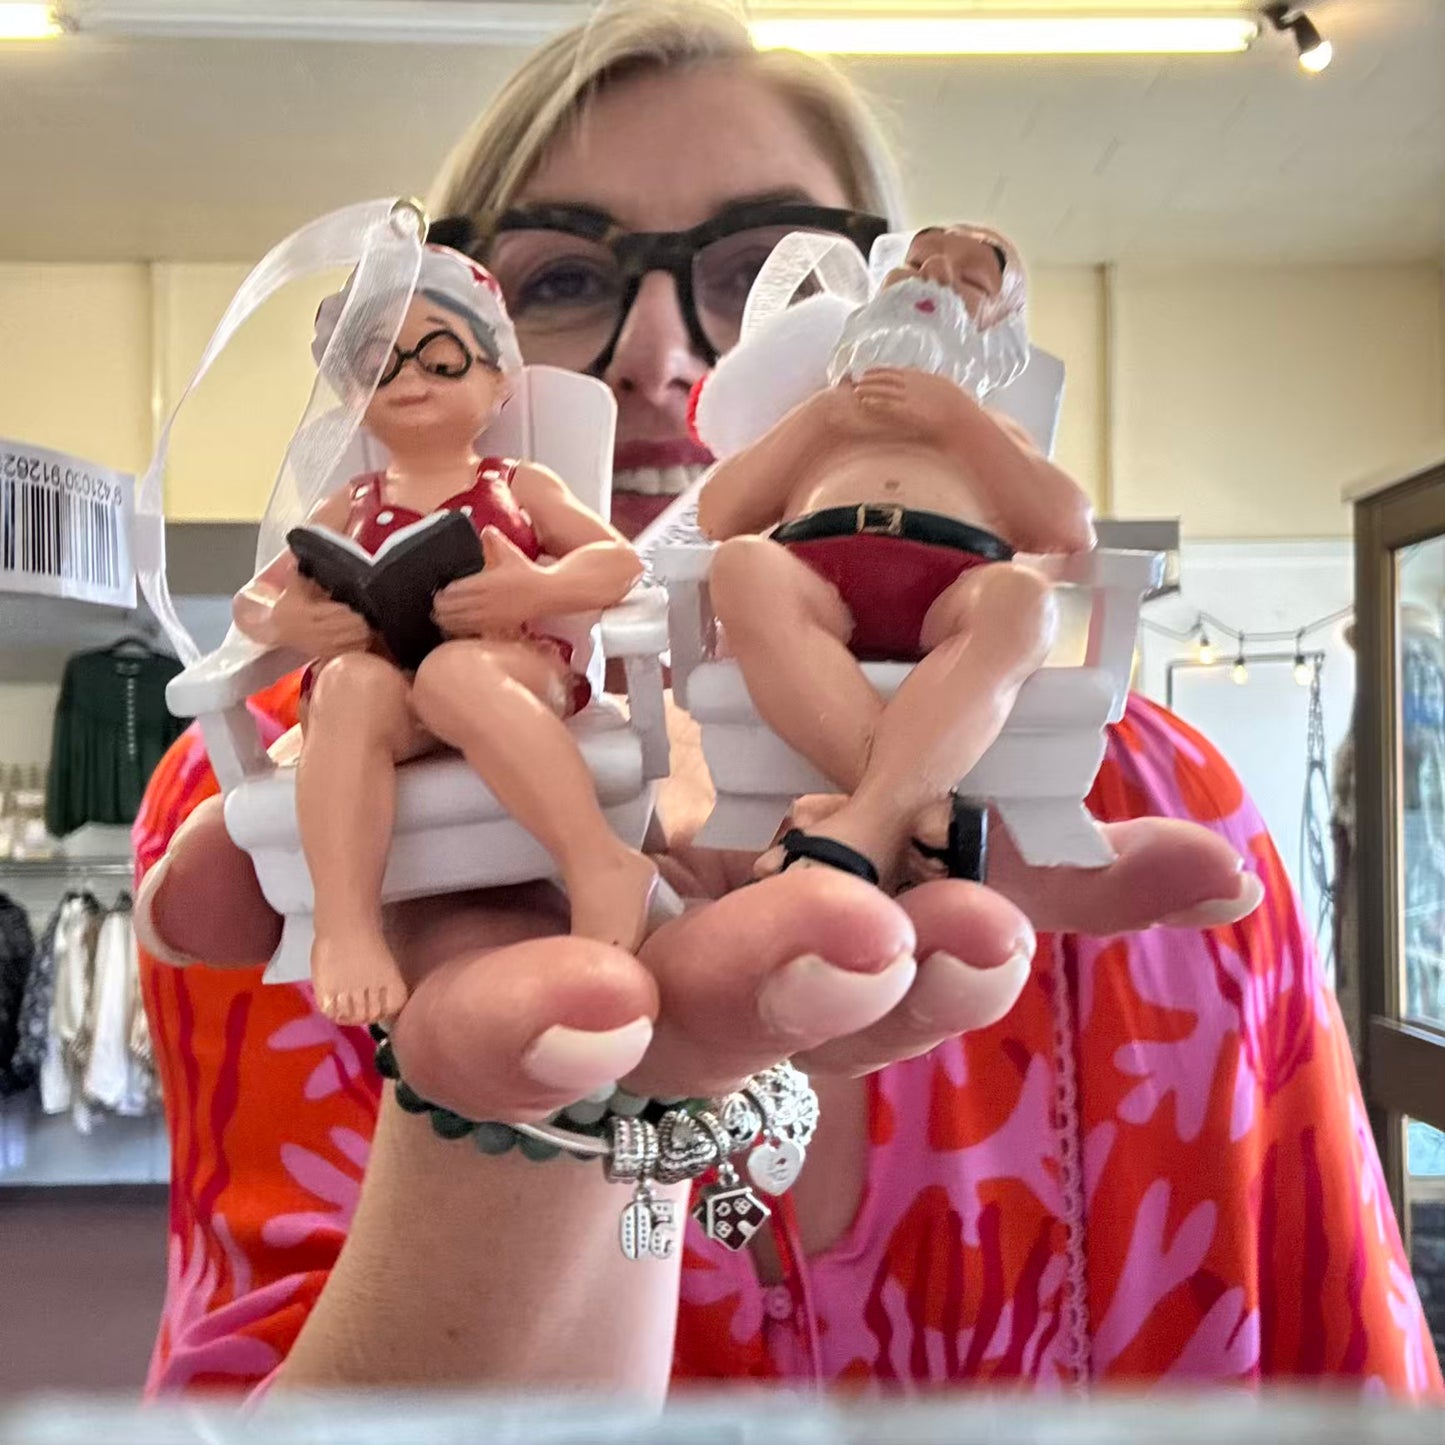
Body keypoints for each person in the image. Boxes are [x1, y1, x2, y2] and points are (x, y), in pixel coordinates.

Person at [132, 0, 1441, 1398]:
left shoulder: (1157, 791)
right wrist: (519, 1131)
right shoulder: (263, 799)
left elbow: (1330, 1368)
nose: (655, 352)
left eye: (755, 270)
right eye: (566, 273)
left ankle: (875, 801)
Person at [232, 246, 655, 1024]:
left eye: (441, 358)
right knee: (349, 686)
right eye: (381, 368)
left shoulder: (515, 484)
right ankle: (347, 926)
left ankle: (598, 862)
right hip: (389, 694)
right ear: (357, 399)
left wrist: (537, 586)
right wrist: (292, 618)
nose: (412, 380)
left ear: (496, 381)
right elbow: (255, 601)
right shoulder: (349, 502)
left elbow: (618, 560)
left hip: (507, 669)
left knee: (454, 674)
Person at [700, 222, 1094, 888]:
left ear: (996, 337)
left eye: (969, 281)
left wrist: (957, 419)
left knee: (1021, 599)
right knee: (742, 564)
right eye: (914, 266)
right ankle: (913, 818)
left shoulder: (989, 431)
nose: (933, 278)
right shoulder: (822, 420)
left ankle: (861, 823)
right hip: (818, 586)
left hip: (948, 589)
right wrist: (821, 418)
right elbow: (720, 513)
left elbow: (1065, 524)